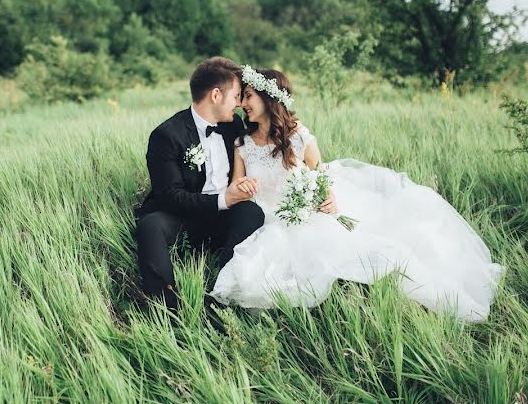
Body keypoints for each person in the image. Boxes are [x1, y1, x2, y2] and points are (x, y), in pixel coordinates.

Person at [210, 67, 504, 322]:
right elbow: (238, 189)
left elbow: (320, 174)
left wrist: (326, 197)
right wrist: (243, 189)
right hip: (269, 217)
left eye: (248, 96)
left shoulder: (297, 135)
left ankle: (393, 299)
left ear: (268, 97)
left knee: (360, 250)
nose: (242, 104)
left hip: (306, 211)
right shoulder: (242, 143)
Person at [135, 57, 265, 311]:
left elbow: (270, 135)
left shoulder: (233, 126)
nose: (239, 104)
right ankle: (166, 308)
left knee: (251, 212)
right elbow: (168, 195)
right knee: (150, 226)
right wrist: (222, 199)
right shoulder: (167, 135)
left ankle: (223, 294)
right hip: (183, 218)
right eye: (236, 96)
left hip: (223, 219)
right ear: (216, 95)